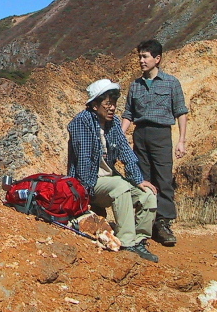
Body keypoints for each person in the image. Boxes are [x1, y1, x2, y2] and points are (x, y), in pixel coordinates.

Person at [67, 79, 159, 262]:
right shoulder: (81, 122)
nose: (112, 108)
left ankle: (139, 239)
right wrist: (86, 197)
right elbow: (84, 162)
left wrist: (138, 179)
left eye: (114, 103)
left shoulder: (114, 123)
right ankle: (127, 242)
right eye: (107, 103)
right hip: (90, 181)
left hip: (110, 178)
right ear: (94, 105)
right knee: (120, 186)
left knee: (147, 194)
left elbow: (126, 152)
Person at [122, 39, 188, 247]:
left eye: (145, 56)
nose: (141, 60)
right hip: (140, 135)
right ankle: (144, 222)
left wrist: (182, 141)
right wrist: (121, 135)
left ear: (157, 59)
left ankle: (163, 223)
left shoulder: (171, 83)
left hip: (161, 135)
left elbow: (181, 112)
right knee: (142, 178)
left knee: (163, 178)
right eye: (140, 56)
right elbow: (128, 113)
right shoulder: (135, 85)